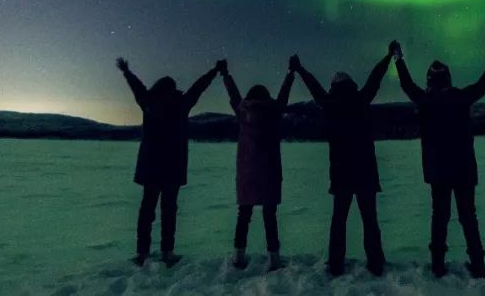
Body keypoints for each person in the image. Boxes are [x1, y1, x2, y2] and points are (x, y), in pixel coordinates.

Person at [392, 40, 485, 278]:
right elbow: (482, 86)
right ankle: (478, 264)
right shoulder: (460, 98)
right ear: (448, 78)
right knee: (468, 216)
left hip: (437, 170)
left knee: (439, 217)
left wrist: (398, 59)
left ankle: (438, 265)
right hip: (464, 169)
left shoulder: (425, 101)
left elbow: (407, 85)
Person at [291, 48, 393, 276]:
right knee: (370, 219)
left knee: (339, 221)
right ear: (351, 84)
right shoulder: (361, 98)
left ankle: (336, 265)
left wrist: (299, 69)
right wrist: (387, 57)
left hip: (341, 172)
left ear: (334, 86)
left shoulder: (329, 103)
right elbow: (375, 78)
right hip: (366, 170)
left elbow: (314, 87)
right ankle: (375, 263)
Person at [116, 57, 222, 266]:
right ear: (173, 89)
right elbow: (198, 88)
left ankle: (143, 253)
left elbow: (137, 87)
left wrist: (126, 72)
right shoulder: (181, 103)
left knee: (147, 210)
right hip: (172, 166)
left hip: (151, 166)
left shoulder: (149, 102)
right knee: (168, 211)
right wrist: (214, 71)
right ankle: (167, 253)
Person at [219, 59, 295, 271]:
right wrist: (290, 73)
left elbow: (233, 94)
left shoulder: (243, 111)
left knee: (244, 215)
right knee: (269, 217)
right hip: (269, 172)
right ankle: (274, 260)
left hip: (247, 174)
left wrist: (225, 74)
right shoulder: (275, 109)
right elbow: (284, 94)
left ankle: (238, 258)